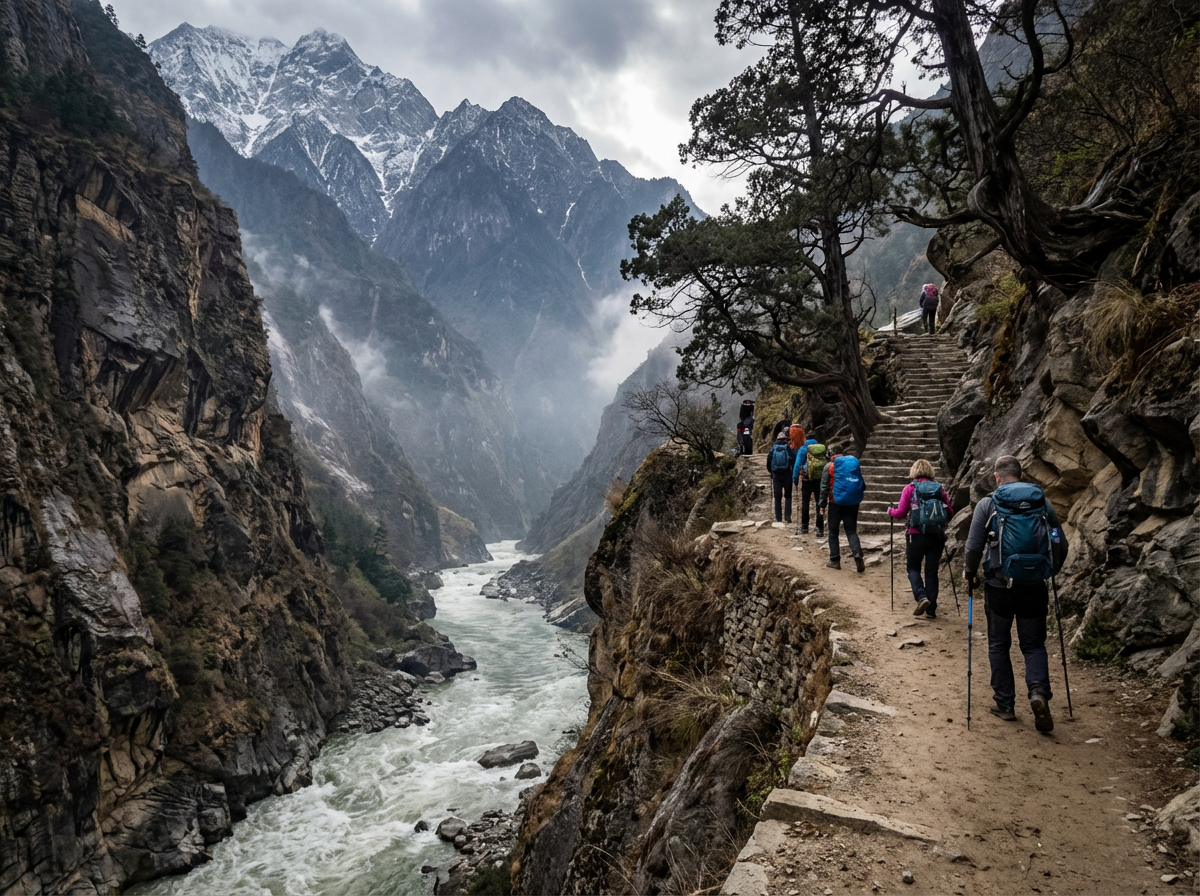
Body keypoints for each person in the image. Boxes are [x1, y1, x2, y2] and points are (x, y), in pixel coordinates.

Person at [963, 455, 1068, 733]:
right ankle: (1037, 693)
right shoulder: (1041, 503)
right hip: (1034, 585)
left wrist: (970, 573)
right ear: (1020, 475)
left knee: (999, 645)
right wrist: (1050, 569)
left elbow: (973, 547)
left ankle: (1005, 705)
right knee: (1033, 645)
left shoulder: (989, 504)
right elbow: (1058, 539)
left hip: (999, 586)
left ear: (997, 477)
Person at [887, 460, 953, 618]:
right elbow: (949, 512)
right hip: (936, 535)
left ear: (914, 471)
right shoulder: (939, 488)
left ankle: (921, 596)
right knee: (931, 571)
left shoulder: (910, 488)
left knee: (913, 568)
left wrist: (890, 511)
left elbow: (901, 513)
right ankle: (931, 609)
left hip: (916, 535)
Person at [819, 448, 865, 572]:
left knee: (833, 532)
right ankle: (857, 554)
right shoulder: (852, 465)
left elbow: (824, 487)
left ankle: (835, 560)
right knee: (851, 531)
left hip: (835, 503)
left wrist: (822, 505)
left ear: (831, 455)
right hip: (852, 502)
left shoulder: (830, 466)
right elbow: (862, 484)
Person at [791, 435, 825, 536]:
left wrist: (795, 479)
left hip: (806, 479)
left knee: (805, 503)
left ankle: (804, 527)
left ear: (806, 439)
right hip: (819, 479)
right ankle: (820, 529)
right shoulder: (821, 449)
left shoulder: (803, 449)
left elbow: (797, 465)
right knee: (819, 503)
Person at [766, 431, 796, 524]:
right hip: (787, 474)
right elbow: (794, 460)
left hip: (776, 476)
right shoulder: (788, 449)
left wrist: (772, 472)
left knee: (777, 496)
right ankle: (787, 517)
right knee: (788, 496)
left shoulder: (773, 449)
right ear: (786, 439)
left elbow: (768, 462)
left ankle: (778, 518)